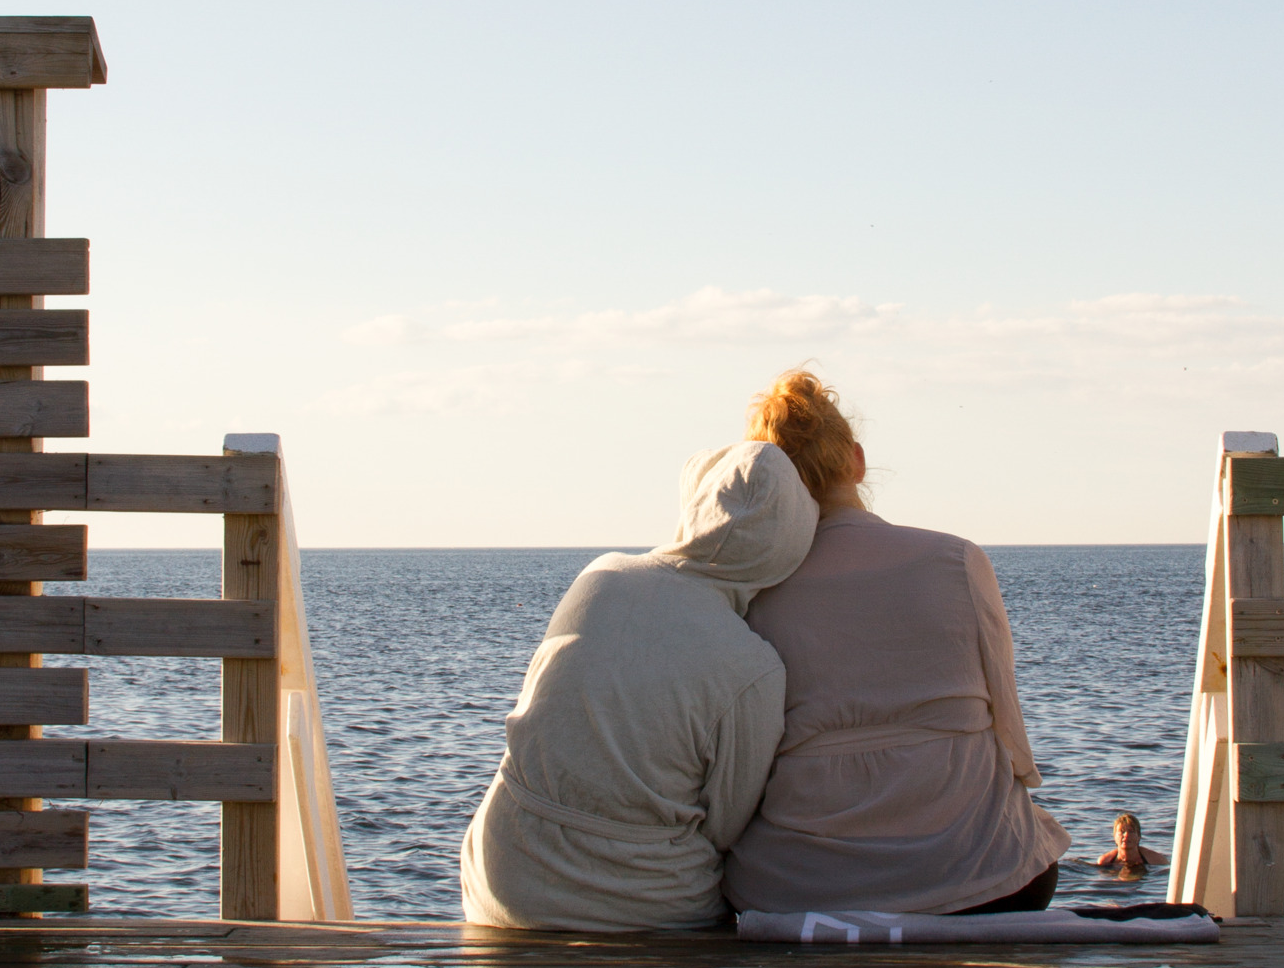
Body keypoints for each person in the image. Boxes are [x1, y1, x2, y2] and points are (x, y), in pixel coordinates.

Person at [723, 371, 1070, 917]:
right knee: (1033, 848)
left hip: (800, 885)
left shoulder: (754, 588)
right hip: (979, 872)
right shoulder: (956, 559)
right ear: (856, 460)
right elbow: (1011, 732)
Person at [460, 441, 818, 931]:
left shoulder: (601, 575)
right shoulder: (755, 669)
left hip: (502, 880)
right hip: (643, 908)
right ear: (789, 547)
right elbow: (725, 825)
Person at [1097, 812, 1166, 878]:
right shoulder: (1104, 862)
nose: (1126, 835)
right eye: (1122, 831)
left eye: (1131, 831)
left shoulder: (1157, 860)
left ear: (1139, 836)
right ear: (1114, 836)